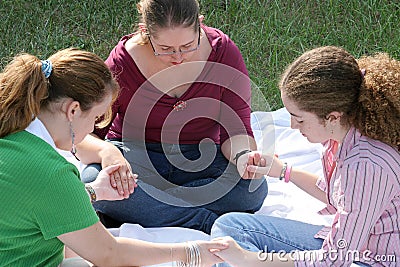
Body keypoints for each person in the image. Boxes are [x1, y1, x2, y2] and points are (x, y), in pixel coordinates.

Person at [0, 48, 229, 266]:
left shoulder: (12, 132)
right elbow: (109, 254)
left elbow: (31, 201)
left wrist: (93, 191)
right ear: (73, 110)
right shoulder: (52, 173)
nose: (93, 127)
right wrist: (190, 252)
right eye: (97, 118)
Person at [77, 0, 268, 234]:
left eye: (188, 45)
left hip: (200, 158)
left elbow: (238, 131)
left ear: (200, 25)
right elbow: (83, 135)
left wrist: (244, 157)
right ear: (145, 32)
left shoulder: (223, 52)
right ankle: (207, 223)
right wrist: (108, 152)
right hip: (134, 157)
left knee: (253, 188)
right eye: (165, 49)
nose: (178, 57)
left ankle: (149, 210)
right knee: (93, 179)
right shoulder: (122, 62)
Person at [210, 46, 400, 266]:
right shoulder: (344, 136)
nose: (292, 125)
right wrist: (282, 170)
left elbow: (334, 259)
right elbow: (342, 197)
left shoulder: (366, 166)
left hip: (369, 260)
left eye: (299, 119)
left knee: (233, 256)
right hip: (357, 248)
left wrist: (251, 259)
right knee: (231, 228)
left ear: (332, 117)